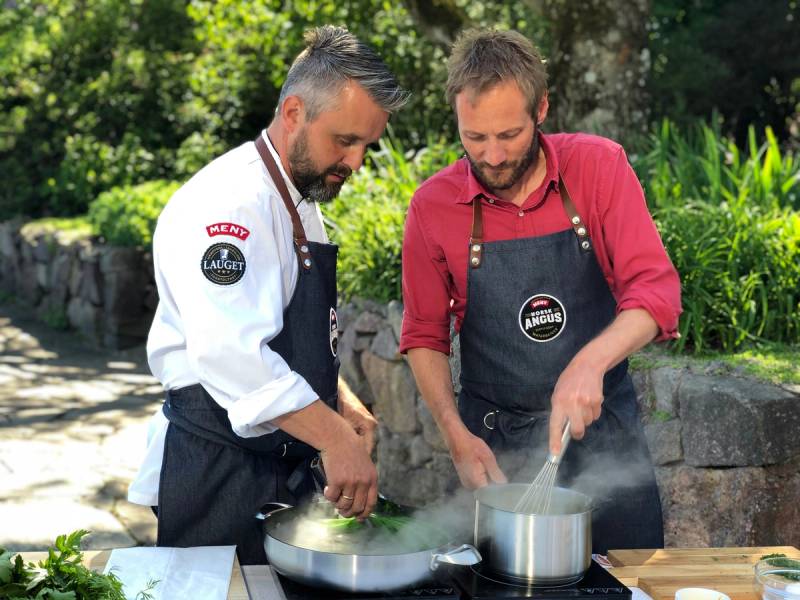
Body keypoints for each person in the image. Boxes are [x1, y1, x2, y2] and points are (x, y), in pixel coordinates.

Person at [127, 25, 409, 565]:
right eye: (345, 140)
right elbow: (233, 354)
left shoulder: (300, 201)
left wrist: (341, 399)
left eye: (366, 146)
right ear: (295, 112)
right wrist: (334, 438)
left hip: (275, 461)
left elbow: (282, 334)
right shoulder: (230, 205)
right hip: (220, 472)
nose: (356, 162)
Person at [399, 29, 681, 553]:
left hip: (604, 438)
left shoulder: (598, 168)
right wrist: (454, 434)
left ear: (542, 109)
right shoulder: (432, 207)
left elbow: (656, 292)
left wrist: (591, 361)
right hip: (494, 446)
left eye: (508, 134)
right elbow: (424, 334)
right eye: (474, 138)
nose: (494, 156)